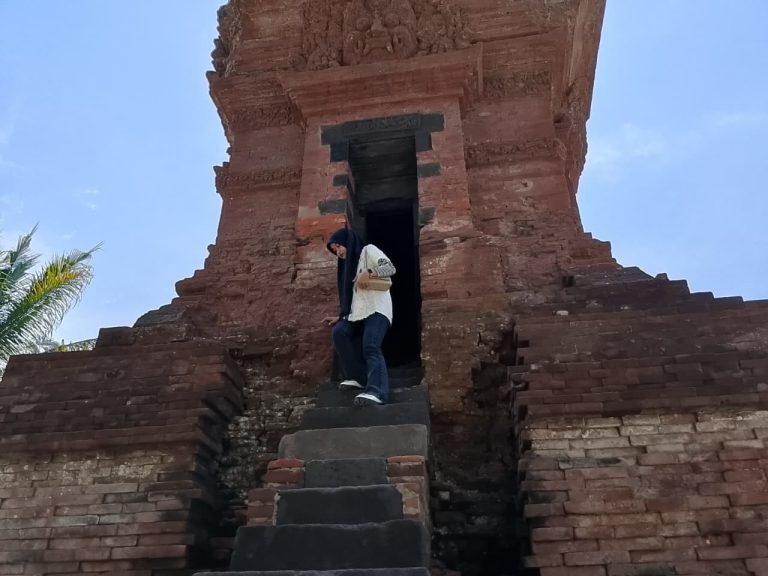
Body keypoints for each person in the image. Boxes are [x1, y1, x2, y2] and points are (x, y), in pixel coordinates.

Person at [324, 227, 396, 406]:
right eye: (334, 250)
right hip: (357, 313)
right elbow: (352, 297)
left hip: (377, 308)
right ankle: (359, 377)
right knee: (339, 332)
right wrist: (340, 316)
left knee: (370, 345)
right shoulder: (346, 267)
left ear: (348, 242)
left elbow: (390, 268)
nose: (338, 251)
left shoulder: (368, 250)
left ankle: (377, 391)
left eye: (339, 246)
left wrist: (368, 273)